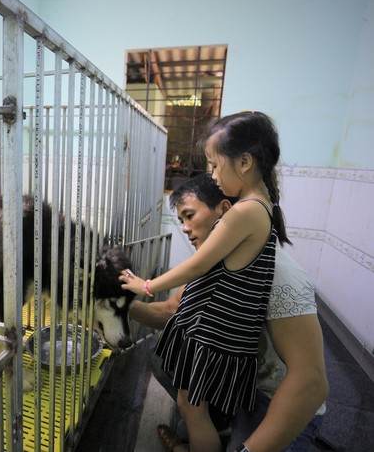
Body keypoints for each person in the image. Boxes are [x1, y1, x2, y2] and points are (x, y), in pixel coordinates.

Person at [120, 111, 290, 452]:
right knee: (188, 405)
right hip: (219, 338)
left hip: (217, 341)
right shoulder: (261, 207)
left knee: (191, 409)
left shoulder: (245, 212)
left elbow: (198, 266)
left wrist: (146, 286)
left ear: (244, 162)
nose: (212, 175)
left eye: (214, 165)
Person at [130, 173, 328, 451]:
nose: (185, 228)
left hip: (271, 395)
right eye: (181, 220)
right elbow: (170, 311)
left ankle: (219, 429)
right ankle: (218, 420)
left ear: (226, 212)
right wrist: (123, 305)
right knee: (164, 358)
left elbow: (312, 383)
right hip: (236, 377)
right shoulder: (209, 262)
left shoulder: (281, 276)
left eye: (189, 215)